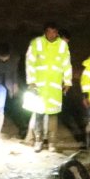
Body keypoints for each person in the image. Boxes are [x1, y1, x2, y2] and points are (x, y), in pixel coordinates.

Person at [23, 23, 72, 152]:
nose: (52, 34)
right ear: (45, 32)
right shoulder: (36, 43)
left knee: (53, 115)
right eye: (50, 32)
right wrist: (31, 81)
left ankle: (52, 143)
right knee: (38, 114)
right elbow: (29, 62)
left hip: (54, 87)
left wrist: (67, 81)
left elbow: (66, 63)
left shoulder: (62, 45)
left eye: (54, 32)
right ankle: (38, 141)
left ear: (57, 32)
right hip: (39, 86)